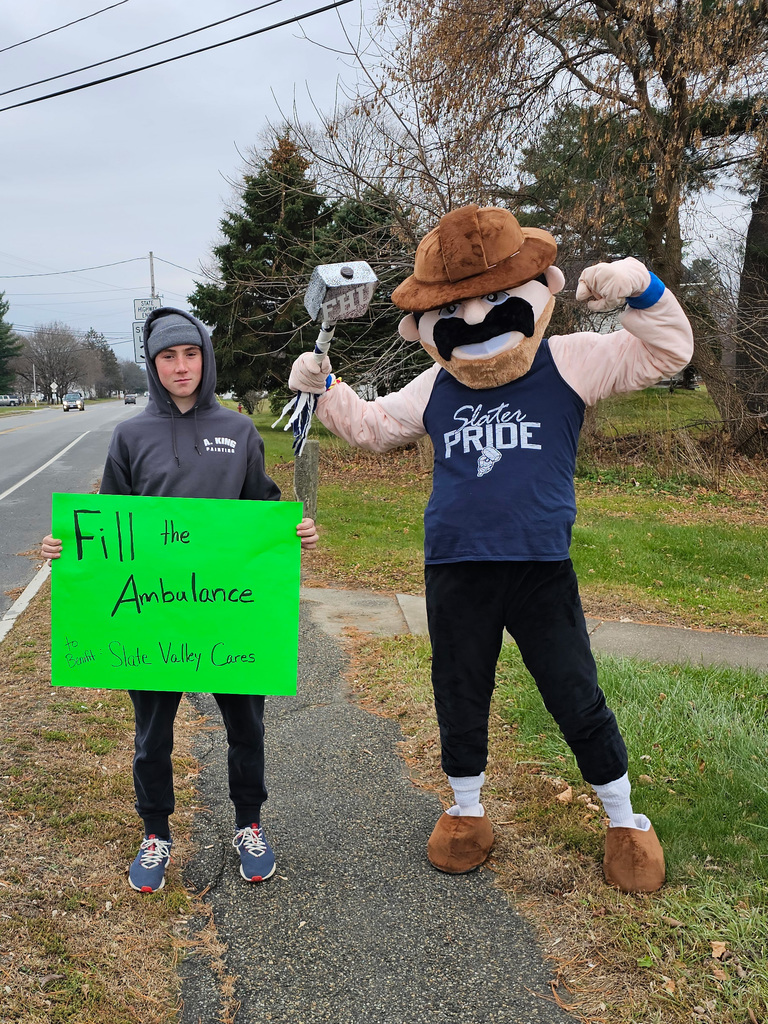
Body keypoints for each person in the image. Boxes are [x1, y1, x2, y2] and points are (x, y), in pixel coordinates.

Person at [287, 204, 694, 893]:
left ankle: (626, 820)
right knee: (459, 691)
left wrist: (641, 286)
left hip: (540, 569)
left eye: (496, 299)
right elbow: (374, 426)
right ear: (423, 325)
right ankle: (467, 813)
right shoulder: (437, 383)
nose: (476, 317)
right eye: (457, 306)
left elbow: (664, 353)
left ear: (540, 291)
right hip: (455, 567)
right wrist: (324, 389)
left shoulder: (570, 360)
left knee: (574, 693)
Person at [42, 307, 318, 893]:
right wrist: (67, 548)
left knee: (247, 726)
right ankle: (155, 831)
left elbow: (260, 509)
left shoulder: (240, 430)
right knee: (152, 733)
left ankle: (249, 823)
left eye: (190, 353)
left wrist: (291, 532)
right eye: (167, 356)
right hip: (155, 615)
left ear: (205, 356)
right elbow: (109, 525)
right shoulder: (130, 435)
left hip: (228, 614)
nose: (181, 366)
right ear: (153, 364)